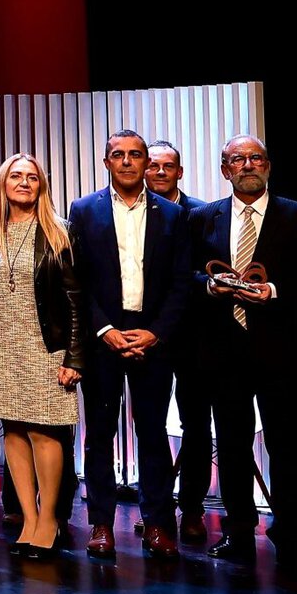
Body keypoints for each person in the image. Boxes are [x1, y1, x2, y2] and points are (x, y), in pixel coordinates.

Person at [189, 135, 297, 571]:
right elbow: (188, 274)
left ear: (268, 166)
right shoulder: (201, 218)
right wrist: (209, 285)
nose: (247, 165)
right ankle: (238, 534)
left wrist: (274, 290)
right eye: (238, 159)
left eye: (255, 158)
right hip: (222, 350)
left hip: (280, 350)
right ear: (224, 169)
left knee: (286, 447)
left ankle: (290, 537)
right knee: (232, 447)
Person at [68, 130, 191, 562]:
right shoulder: (83, 210)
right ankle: (101, 523)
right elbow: (77, 280)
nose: (126, 162)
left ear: (145, 163)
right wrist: (104, 329)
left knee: (153, 434)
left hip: (152, 337)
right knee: (99, 434)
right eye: (117, 155)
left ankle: (157, 523)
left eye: (134, 155)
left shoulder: (173, 216)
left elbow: (181, 283)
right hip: (104, 336)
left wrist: (156, 332)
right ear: (106, 162)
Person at [0, 155, 84, 559]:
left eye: (31, 177)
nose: (24, 183)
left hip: (45, 346)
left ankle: (50, 519)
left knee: (44, 431)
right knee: (14, 432)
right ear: (3, 184)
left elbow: (76, 301)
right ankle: (28, 517)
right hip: (0, 344)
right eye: (16, 176)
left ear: (42, 185)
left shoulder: (59, 232)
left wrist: (74, 357)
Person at [147, 141, 216, 543]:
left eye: (166, 166)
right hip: (148, 338)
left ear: (179, 172)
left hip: (192, 337)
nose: (158, 172)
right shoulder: (130, 212)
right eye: (152, 165)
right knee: (151, 427)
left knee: (196, 426)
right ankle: (155, 508)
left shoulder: (202, 214)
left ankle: (192, 508)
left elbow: (201, 273)